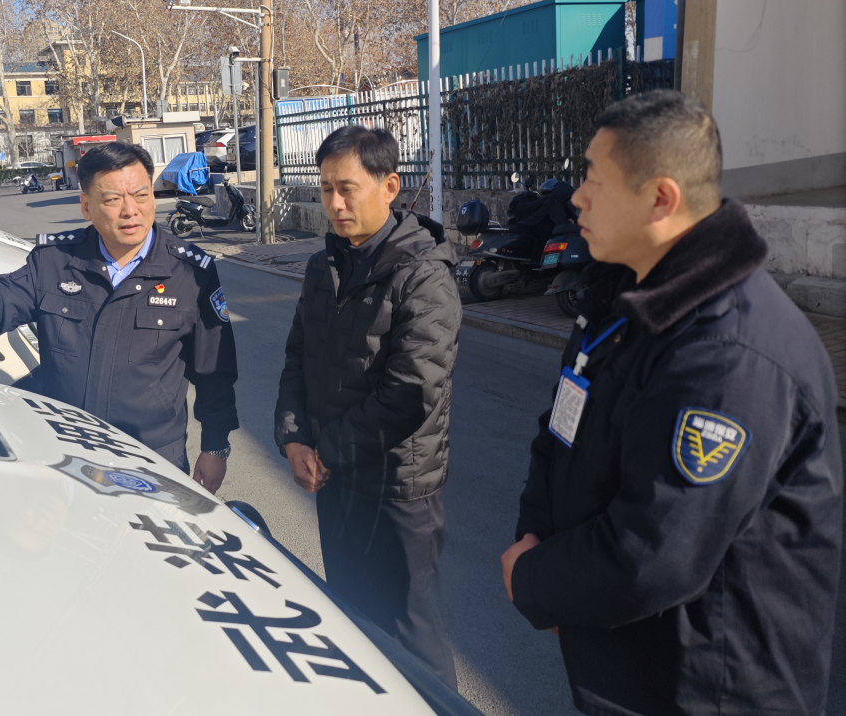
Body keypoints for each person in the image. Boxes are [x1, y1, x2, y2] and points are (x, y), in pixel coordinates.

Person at [500, 90, 842, 716]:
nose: (577, 198)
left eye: (595, 179)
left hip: (710, 689)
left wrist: (536, 580)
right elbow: (563, 429)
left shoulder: (729, 353)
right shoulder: (623, 297)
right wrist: (536, 533)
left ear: (660, 198)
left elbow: (656, 552)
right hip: (633, 665)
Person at [0, 143, 238, 492]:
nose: (131, 211)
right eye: (113, 200)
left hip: (151, 455)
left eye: (141, 195)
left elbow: (214, 370)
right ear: (87, 206)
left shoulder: (190, 271)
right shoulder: (54, 260)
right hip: (63, 450)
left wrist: (215, 446)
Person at [274, 126, 462, 686]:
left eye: (347, 189)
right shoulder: (324, 266)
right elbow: (298, 356)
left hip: (396, 487)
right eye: (326, 188)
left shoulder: (423, 274)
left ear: (390, 187)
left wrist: (325, 451)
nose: (334, 203)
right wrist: (292, 436)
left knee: (413, 635)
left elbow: (411, 392)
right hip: (336, 480)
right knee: (354, 621)